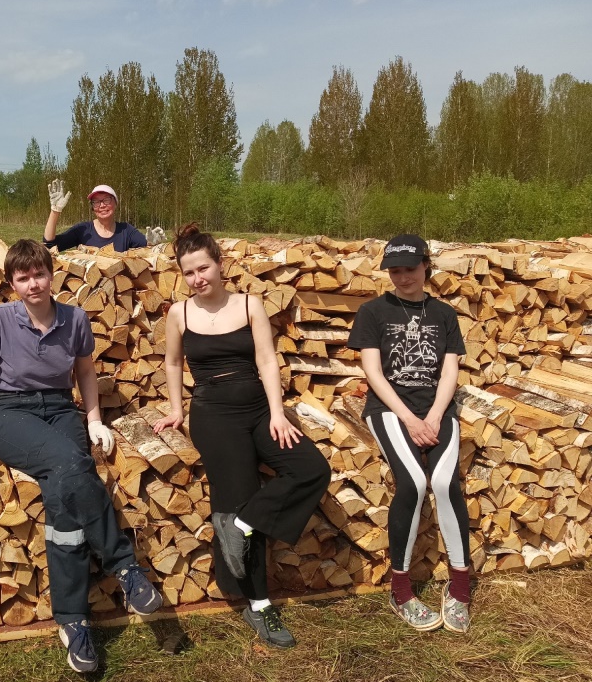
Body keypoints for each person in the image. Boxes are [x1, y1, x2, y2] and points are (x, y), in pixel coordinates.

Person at [0, 238, 162, 673]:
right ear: (11, 283)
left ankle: (73, 622)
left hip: (59, 408)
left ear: (51, 274)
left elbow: (85, 372)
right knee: (73, 465)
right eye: (23, 277)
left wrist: (93, 419)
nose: (33, 284)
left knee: (63, 494)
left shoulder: (74, 318)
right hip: (10, 414)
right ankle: (124, 567)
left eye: (39, 274)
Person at [153, 224, 330, 649]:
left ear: (220, 264)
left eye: (204, 268)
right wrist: (178, 409)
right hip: (214, 415)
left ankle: (244, 523)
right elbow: (174, 364)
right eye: (190, 272)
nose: (199, 278)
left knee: (311, 469)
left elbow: (268, 361)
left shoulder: (250, 305)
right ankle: (259, 604)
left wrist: (276, 413)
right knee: (237, 495)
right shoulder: (180, 314)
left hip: (257, 410)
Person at [347, 234, 471, 633]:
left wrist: (434, 414)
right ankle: (400, 590)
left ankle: (461, 587)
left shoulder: (445, 315)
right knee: (415, 482)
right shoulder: (372, 312)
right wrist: (409, 419)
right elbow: (373, 372)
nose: (402, 277)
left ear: (425, 267)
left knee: (446, 482)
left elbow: (449, 370)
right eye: (395, 270)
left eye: (410, 269)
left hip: (435, 410)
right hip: (389, 410)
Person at [43, 179, 164, 252]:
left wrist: (153, 243)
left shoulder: (126, 230)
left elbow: (147, 246)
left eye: (106, 200)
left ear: (115, 203)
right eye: (96, 202)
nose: (101, 205)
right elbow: (49, 245)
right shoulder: (83, 230)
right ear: (92, 208)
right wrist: (55, 210)